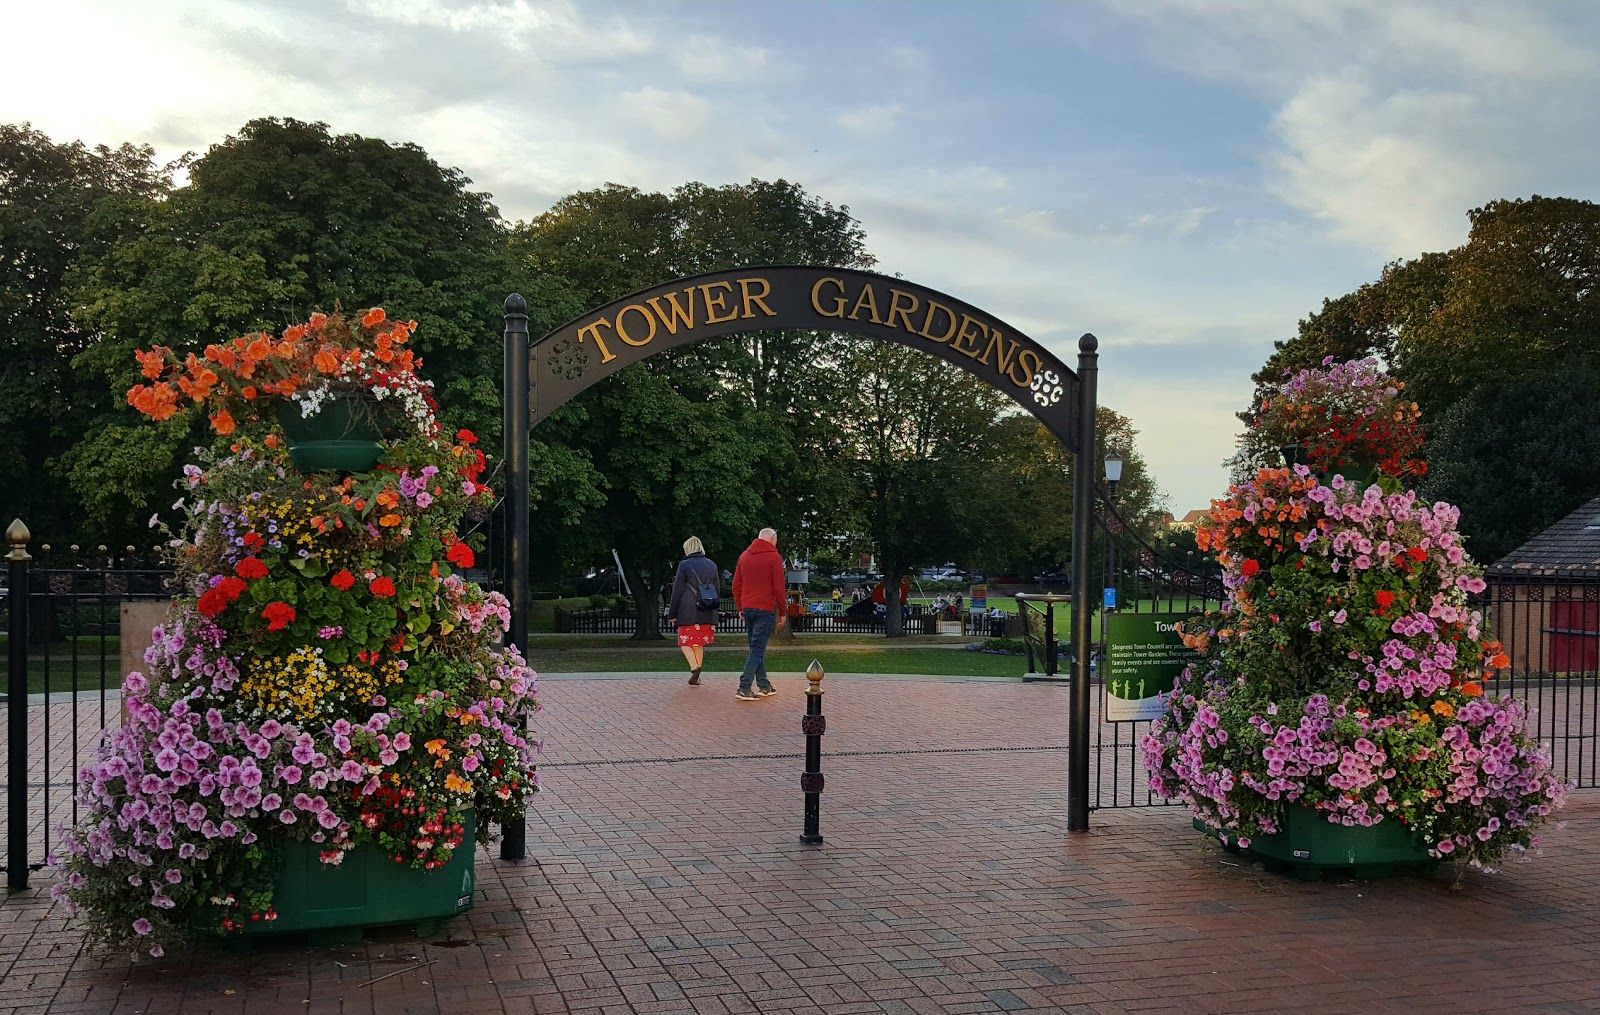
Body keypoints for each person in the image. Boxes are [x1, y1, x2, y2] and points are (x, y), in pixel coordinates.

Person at [731, 527, 786, 701]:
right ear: (772, 539)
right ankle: (744, 686)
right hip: (764, 608)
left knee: (756, 648)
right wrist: (783, 612)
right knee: (757, 649)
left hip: (748, 608)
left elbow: (736, 586)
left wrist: (740, 607)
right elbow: (778, 587)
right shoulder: (774, 557)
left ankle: (764, 685)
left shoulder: (744, 556)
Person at [668, 536, 721, 685]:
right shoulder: (712, 565)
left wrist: (672, 613)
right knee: (698, 643)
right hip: (706, 609)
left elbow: (677, 590)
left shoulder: (684, 565)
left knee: (684, 642)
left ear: (688, 548)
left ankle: (694, 668)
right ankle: (697, 673)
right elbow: (716, 589)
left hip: (688, 610)